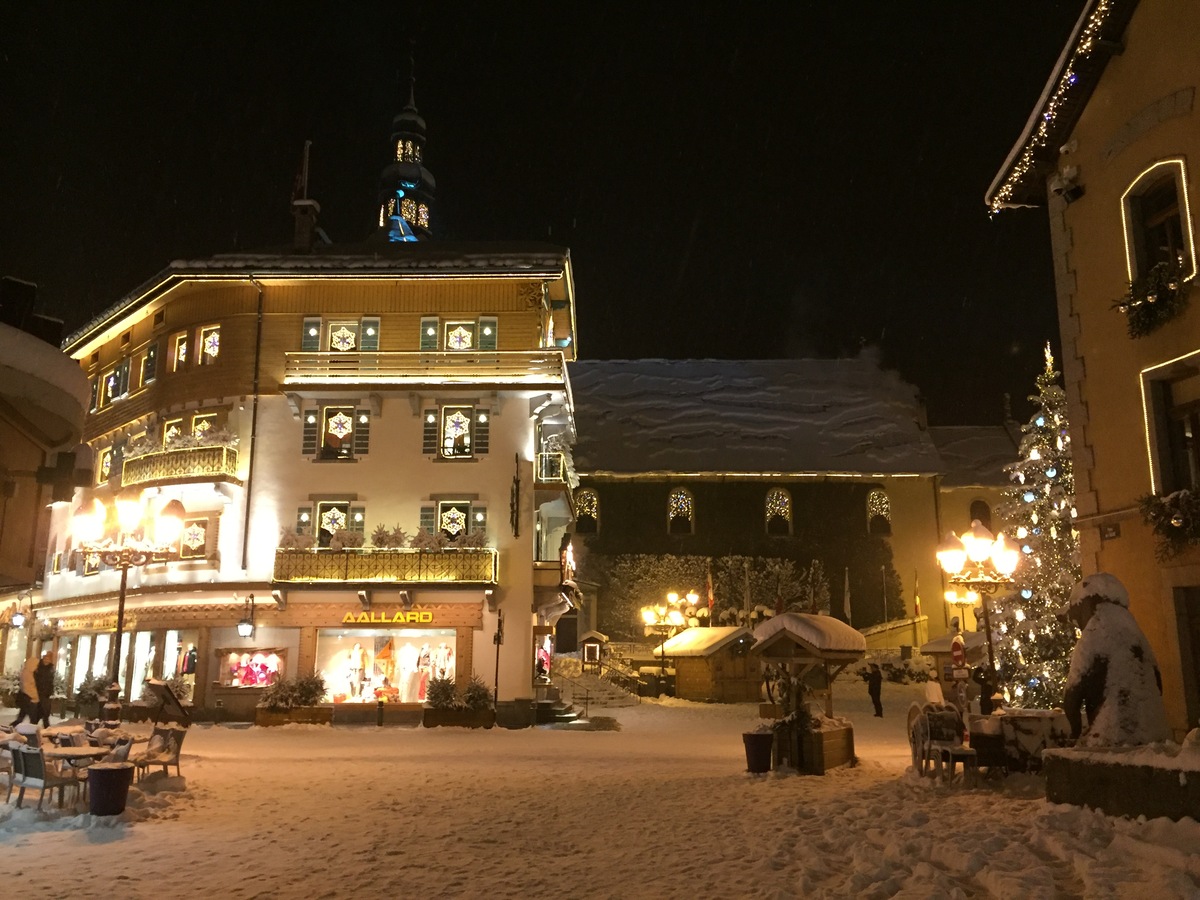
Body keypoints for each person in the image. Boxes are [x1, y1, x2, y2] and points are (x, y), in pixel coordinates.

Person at [1062, 572, 1171, 747]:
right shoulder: (1135, 633)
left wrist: (1075, 731)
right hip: (1155, 733)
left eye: (1077, 617)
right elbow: (1157, 682)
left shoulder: (1095, 632)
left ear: (1085, 605)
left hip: (1112, 733)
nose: (1078, 625)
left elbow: (1072, 693)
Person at [10, 652, 41, 726]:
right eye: (36, 665)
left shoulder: (27, 672)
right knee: (33, 718)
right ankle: (34, 732)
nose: (37, 667)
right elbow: (28, 687)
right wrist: (35, 696)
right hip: (30, 699)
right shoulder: (28, 674)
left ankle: (11, 727)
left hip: (27, 698)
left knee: (22, 716)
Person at [33, 651, 55, 727]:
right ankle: (38, 724)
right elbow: (35, 679)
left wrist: (50, 690)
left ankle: (42, 724)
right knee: (41, 709)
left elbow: (51, 681)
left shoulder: (51, 668)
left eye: (49, 659)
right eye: (46, 658)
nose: (47, 660)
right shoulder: (38, 667)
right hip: (38, 691)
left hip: (46, 693)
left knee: (45, 710)